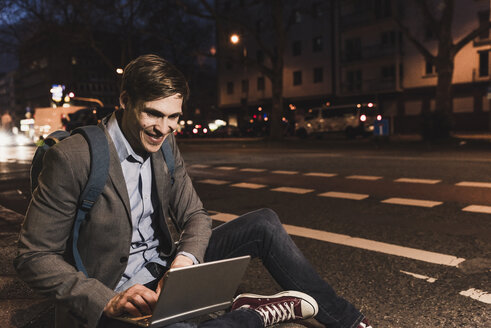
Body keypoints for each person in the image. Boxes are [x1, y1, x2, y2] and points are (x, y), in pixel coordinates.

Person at [14, 54, 372, 328]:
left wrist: (185, 261)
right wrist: (105, 300)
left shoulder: (166, 144)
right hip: (115, 294)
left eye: (174, 117)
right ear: (124, 100)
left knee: (263, 222)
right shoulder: (73, 158)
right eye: (153, 114)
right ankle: (255, 316)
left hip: (167, 275)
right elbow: (33, 257)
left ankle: (348, 321)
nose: (164, 129)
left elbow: (196, 216)